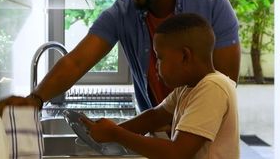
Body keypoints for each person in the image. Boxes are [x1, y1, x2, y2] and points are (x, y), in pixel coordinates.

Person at [0, 0, 240, 115]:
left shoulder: (213, 6)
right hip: (157, 134)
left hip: (205, 135)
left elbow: (224, 86)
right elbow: (76, 62)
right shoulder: (121, 12)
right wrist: (36, 99)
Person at [82, 13, 239, 159]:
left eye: (160, 58)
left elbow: (176, 153)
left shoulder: (213, 88)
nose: (156, 65)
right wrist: (108, 133)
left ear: (185, 56)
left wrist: (116, 134)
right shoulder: (187, 88)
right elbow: (154, 117)